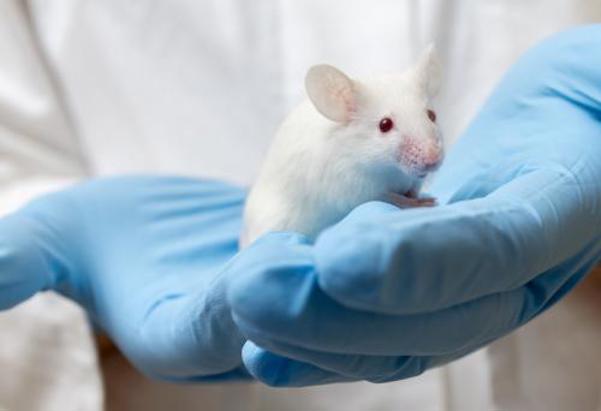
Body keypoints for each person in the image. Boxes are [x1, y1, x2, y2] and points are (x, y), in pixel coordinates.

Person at [0, 1, 600, 410]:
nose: (429, 144)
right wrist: (85, 273)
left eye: (430, 121)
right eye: (390, 126)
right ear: (339, 106)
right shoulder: (331, 149)